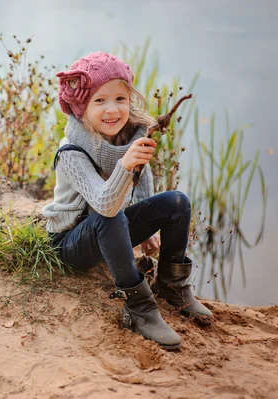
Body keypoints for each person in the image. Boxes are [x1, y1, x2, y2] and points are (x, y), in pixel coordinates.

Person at [42, 52, 213, 350]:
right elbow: (105, 206)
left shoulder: (125, 136)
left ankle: (173, 286)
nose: (112, 110)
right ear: (81, 108)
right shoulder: (71, 152)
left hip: (108, 231)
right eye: (99, 101)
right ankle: (139, 308)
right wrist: (125, 165)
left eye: (120, 99)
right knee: (110, 216)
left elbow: (141, 176)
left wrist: (150, 230)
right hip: (70, 245)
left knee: (176, 202)